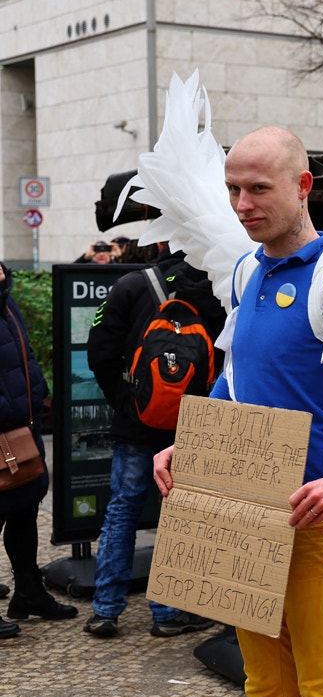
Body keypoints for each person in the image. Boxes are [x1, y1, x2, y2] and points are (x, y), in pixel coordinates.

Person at [153, 125, 323, 697]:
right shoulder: (245, 271)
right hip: (243, 502)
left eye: (258, 188)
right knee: (265, 685)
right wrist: (197, 443)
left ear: (303, 186)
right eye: (232, 189)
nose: (242, 205)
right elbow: (240, 374)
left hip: (319, 519)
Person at [83, 244, 225, 638]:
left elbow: (100, 351)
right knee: (177, 515)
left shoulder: (130, 285)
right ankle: (167, 613)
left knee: (122, 510)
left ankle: (106, 610)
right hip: (190, 426)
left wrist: (127, 400)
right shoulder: (216, 288)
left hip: (135, 424)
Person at [0, 262, 77, 639]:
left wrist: (38, 392)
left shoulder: (7, 300)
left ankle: (29, 592)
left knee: (24, 509)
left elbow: (23, 354)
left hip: (22, 429)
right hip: (4, 428)